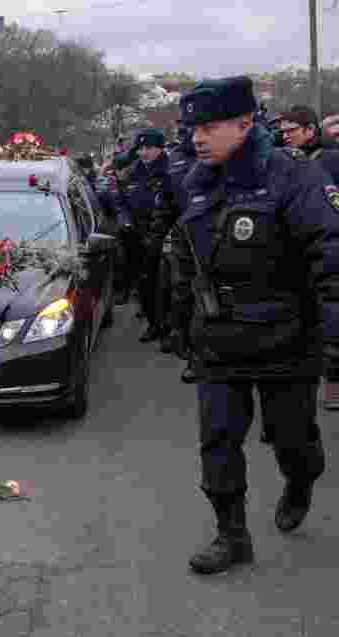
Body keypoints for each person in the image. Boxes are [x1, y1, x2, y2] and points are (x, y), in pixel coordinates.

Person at [175, 77, 339, 574]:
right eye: (191, 128)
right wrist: (185, 322)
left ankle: (301, 479)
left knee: (293, 439)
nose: (197, 138)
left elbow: (331, 257)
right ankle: (232, 536)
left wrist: (334, 340)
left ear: (246, 123)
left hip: (285, 339)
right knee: (218, 440)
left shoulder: (292, 176)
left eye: (208, 127)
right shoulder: (198, 182)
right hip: (219, 343)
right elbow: (186, 256)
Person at [278, 105, 339, 410]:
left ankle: (332, 381)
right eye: (283, 131)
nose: (285, 136)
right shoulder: (285, 161)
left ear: (311, 130)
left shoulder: (330, 159)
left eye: (292, 131)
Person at [114, 128, 180, 341]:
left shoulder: (173, 170)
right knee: (145, 283)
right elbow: (119, 201)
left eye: (148, 148)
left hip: (166, 235)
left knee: (168, 285)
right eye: (140, 148)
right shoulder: (130, 173)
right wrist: (124, 220)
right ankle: (154, 324)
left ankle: (172, 329)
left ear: (160, 148)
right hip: (138, 235)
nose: (143, 153)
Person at [165, 121, 199, 384]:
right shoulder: (175, 158)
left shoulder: (225, 154)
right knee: (183, 293)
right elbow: (167, 199)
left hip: (219, 232)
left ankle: (198, 359)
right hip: (183, 234)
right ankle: (186, 342)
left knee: (209, 297)